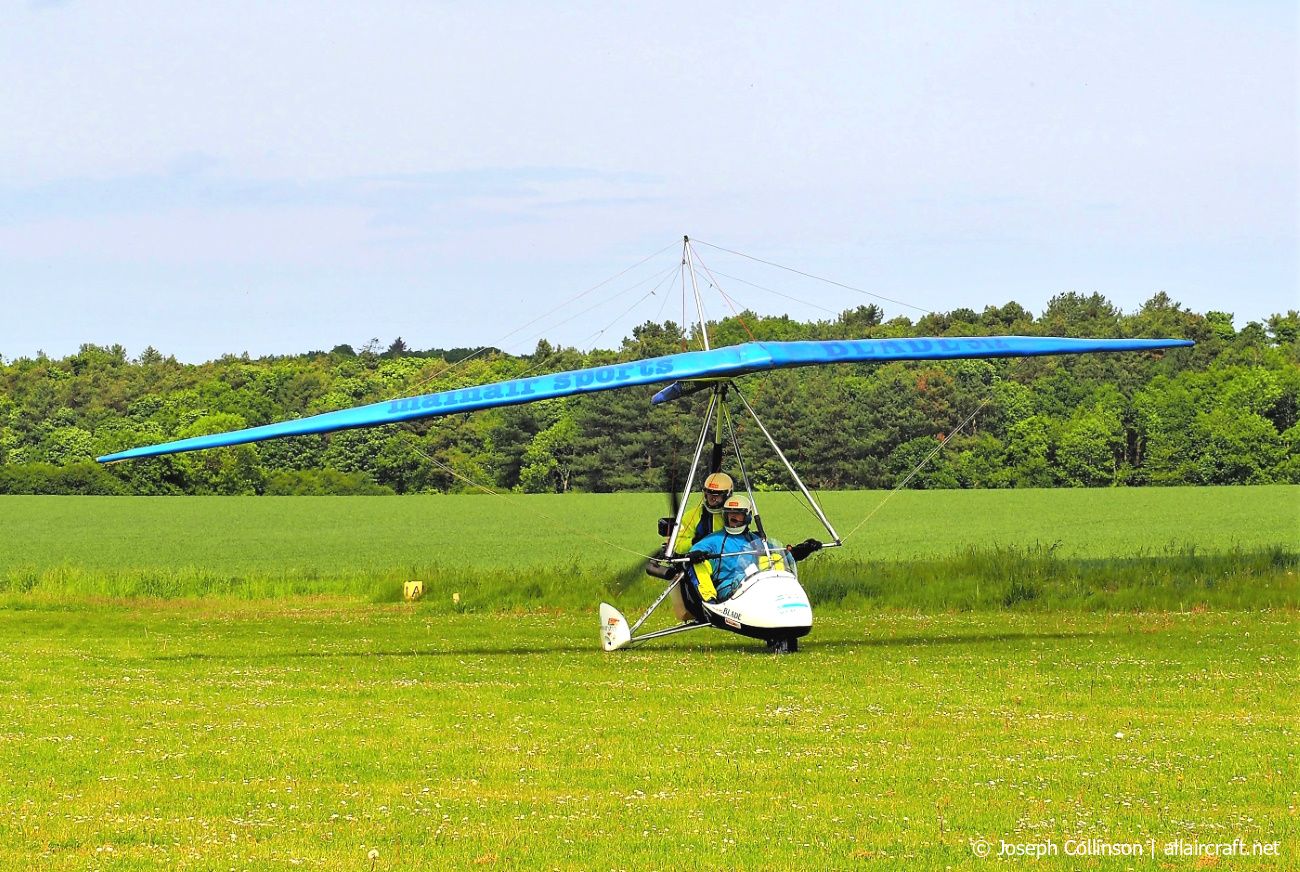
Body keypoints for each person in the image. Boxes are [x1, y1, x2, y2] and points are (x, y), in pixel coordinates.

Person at [686, 494, 793, 603]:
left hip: (756, 586)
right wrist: (696, 554)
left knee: (774, 558)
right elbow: (695, 551)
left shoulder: (755, 539)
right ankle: (710, 603)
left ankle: (783, 598)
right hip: (728, 588)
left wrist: (796, 552)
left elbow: (776, 552)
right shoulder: (715, 539)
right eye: (730, 513)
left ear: (747, 516)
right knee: (699, 564)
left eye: (738, 513)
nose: (733, 517)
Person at [670, 472, 734, 555]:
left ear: (727, 495)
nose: (712, 498)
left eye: (717, 495)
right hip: (700, 561)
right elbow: (677, 546)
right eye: (709, 494)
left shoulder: (734, 515)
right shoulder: (691, 516)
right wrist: (694, 541)